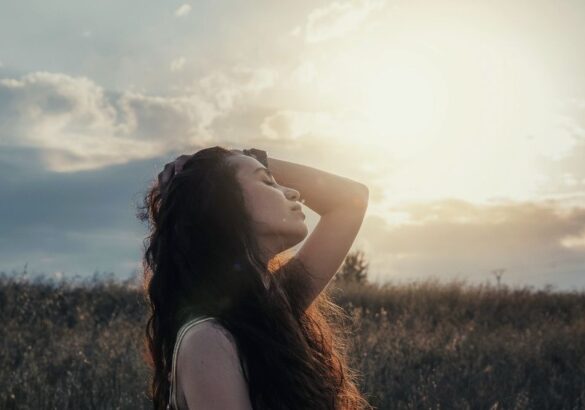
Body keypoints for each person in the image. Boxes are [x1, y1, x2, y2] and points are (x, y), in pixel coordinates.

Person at [137, 146, 372, 410]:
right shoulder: (208, 340)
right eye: (267, 181)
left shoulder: (272, 305)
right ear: (223, 204)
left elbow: (352, 199)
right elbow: (351, 201)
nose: (293, 192)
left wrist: (252, 159)